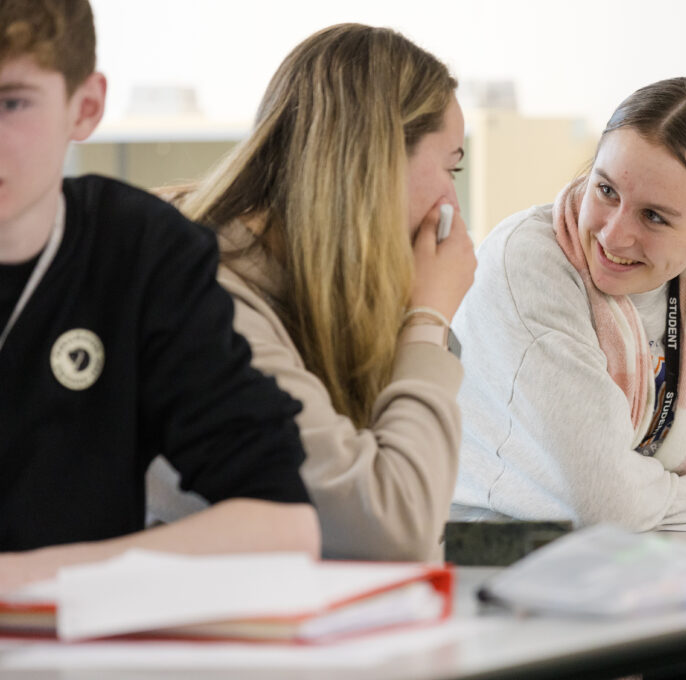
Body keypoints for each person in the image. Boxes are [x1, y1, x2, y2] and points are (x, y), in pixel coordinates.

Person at [0, 0, 320, 591]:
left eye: (12, 102)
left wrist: (20, 579)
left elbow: (281, 527)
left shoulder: (141, 254)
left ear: (85, 106)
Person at [146, 23, 476, 561]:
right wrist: (428, 319)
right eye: (450, 167)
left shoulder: (306, 290)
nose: (452, 210)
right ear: (380, 162)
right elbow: (393, 526)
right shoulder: (207, 301)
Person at [450, 77, 686, 529]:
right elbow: (608, 502)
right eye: (606, 191)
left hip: (630, 552)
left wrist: (643, 496)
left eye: (654, 216)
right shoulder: (527, 264)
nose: (613, 234)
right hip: (486, 554)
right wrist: (657, 495)